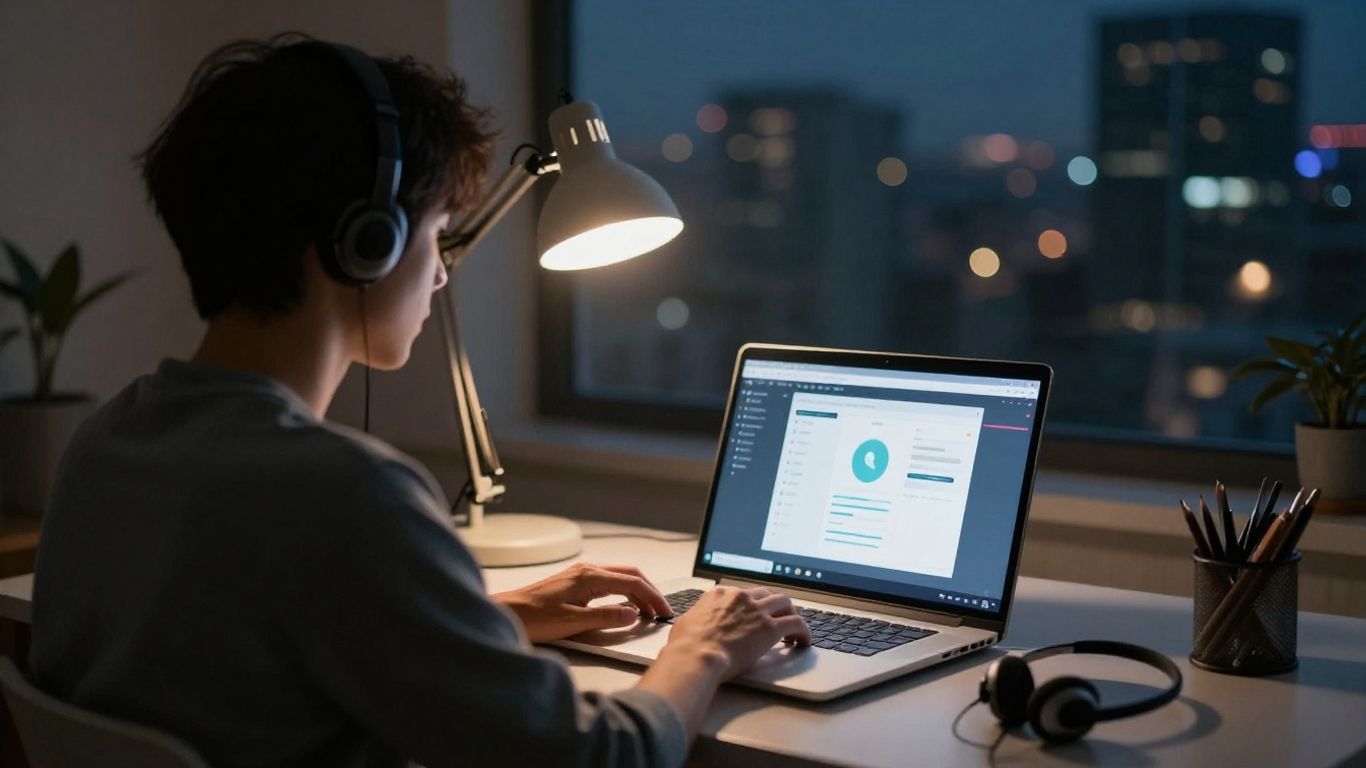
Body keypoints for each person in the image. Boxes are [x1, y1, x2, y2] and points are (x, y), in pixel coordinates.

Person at [29, 34, 809, 768]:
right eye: (436, 233)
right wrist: (703, 648)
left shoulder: (108, 441)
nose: (441, 272)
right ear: (364, 244)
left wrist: (489, 618)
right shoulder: (347, 493)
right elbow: (603, 757)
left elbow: (237, 646)